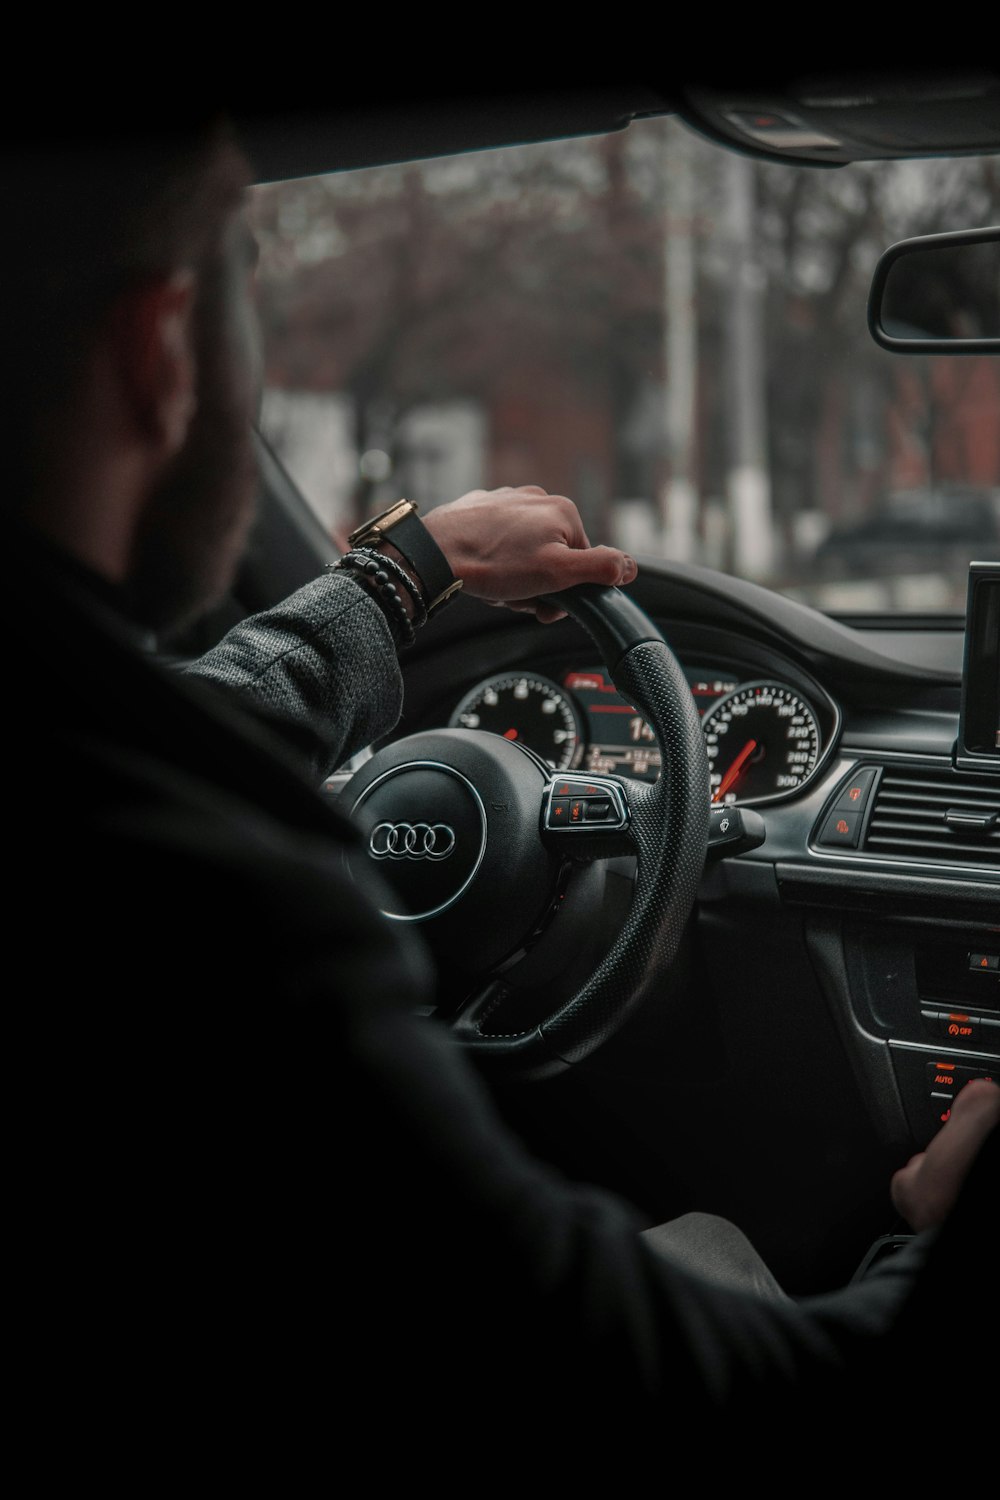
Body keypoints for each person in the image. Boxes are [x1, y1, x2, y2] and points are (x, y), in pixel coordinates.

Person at [8, 110, 996, 1479]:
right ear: (156, 353)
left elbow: (197, 722)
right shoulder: (219, 914)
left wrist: (398, 572)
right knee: (718, 1256)